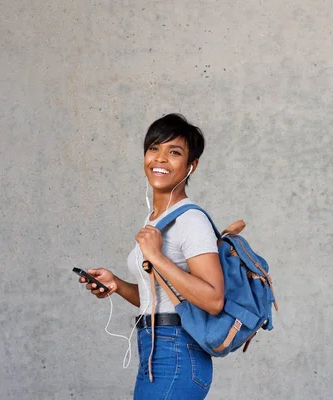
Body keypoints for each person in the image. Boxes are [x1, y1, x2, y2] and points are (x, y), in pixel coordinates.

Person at [79, 113, 224, 400]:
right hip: (153, 349)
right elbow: (162, 298)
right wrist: (118, 285)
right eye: (154, 148)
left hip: (179, 353)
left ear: (191, 166)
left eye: (174, 152)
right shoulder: (155, 220)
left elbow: (214, 300)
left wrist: (157, 257)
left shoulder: (190, 220)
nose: (160, 158)